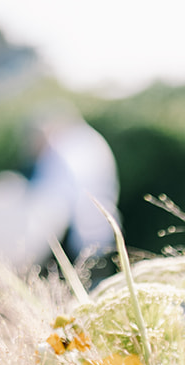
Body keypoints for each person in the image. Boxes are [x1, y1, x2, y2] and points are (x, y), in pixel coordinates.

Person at [29, 110, 120, 266]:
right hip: (100, 222)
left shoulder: (65, 147)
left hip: (78, 228)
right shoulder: (90, 140)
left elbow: (54, 192)